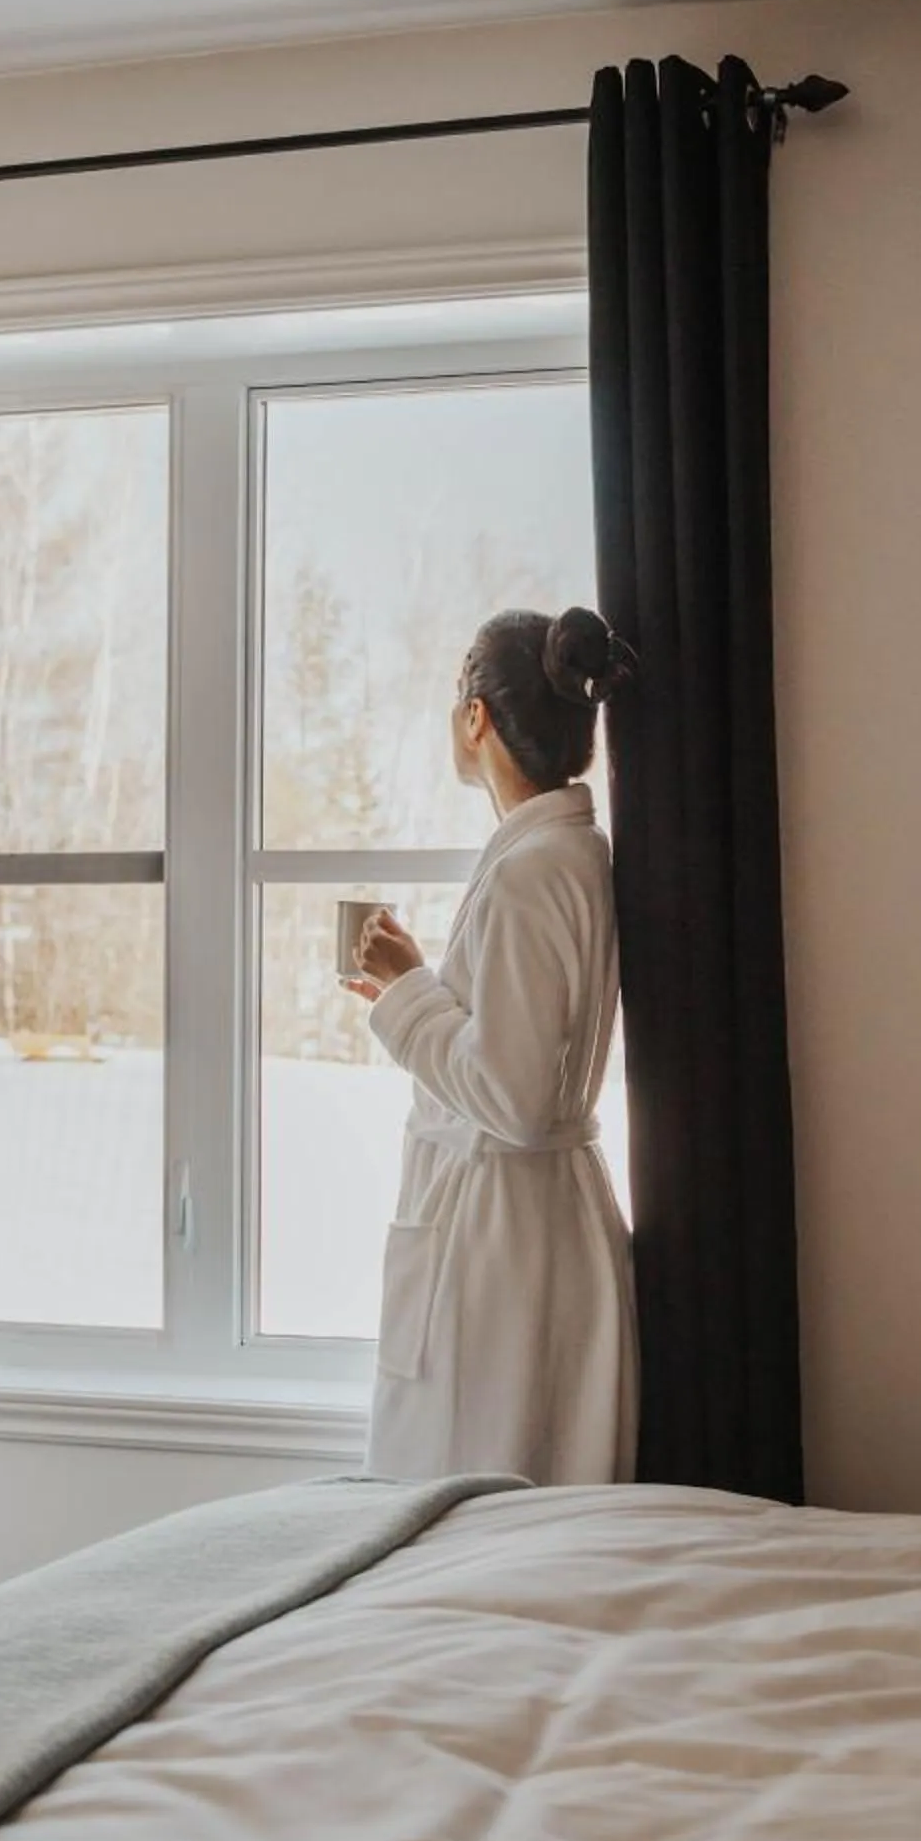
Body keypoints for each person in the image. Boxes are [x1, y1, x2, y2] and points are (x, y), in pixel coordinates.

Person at [348, 606, 639, 1484]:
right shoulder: (571, 852)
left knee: (469, 1500)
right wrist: (419, 991)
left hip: (498, 1237)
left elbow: (511, 1099)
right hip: (541, 1219)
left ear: (475, 716)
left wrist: (405, 991)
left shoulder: (531, 871)